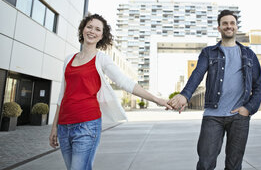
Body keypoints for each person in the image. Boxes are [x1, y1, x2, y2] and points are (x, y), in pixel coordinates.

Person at [49, 14, 172, 170]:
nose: (92, 31)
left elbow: (125, 82)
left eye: (97, 29)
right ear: (82, 29)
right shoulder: (68, 59)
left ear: (102, 35)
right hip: (64, 126)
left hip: (87, 125)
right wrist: (54, 127)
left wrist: (157, 100)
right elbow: (62, 96)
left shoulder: (101, 59)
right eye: (89, 27)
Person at [168, 10, 261, 170]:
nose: (229, 26)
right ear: (219, 28)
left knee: (234, 166)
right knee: (205, 164)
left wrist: (248, 109)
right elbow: (197, 74)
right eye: (225, 23)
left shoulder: (249, 54)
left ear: (236, 27)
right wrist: (185, 95)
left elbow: (259, 86)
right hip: (213, 116)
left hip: (239, 118)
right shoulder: (209, 52)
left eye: (232, 23)